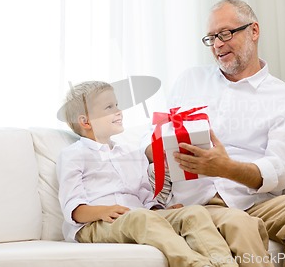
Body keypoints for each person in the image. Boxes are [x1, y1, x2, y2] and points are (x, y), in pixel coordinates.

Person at [145, 0, 285, 267]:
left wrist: (227, 168)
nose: (218, 45)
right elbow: (152, 140)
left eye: (225, 34)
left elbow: (279, 171)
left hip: (254, 203)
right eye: (211, 38)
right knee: (239, 223)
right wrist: (158, 147)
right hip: (197, 205)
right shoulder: (191, 81)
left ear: (253, 31)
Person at [56, 81, 239, 267]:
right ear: (85, 121)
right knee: (140, 218)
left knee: (194, 212)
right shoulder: (73, 155)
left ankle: (225, 264)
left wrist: (160, 211)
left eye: (117, 105)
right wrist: (104, 211)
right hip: (94, 225)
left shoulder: (130, 153)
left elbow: (145, 195)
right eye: (109, 107)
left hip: (139, 216)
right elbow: (73, 208)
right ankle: (197, 264)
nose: (119, 111)